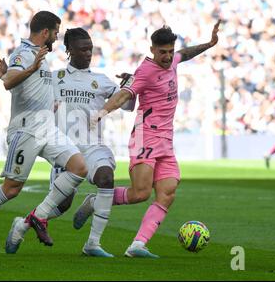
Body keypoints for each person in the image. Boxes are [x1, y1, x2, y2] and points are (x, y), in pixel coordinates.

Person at [0, 11, 88, 260]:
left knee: (79, 167)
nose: (57, 37)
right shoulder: (24, 53)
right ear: (46, 32)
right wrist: (28, 68)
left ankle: (39, 216)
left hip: (47, 127)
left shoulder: (40, 57)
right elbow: (9, 83)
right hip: (26, 129)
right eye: (56, 32)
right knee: (12, 189)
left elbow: (14, 78)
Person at [84, 21, 221, 258]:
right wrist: (101, 113)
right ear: (152, 50)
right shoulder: (145, 71)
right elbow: (124, 95)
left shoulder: (173, 60)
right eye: (162, 52)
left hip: (166, 140)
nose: (168, 57)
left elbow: (184, 54)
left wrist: (209, 44)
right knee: (140, 193)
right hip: (145, 136)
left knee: (167, 192)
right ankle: (96, 200)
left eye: (170, 51)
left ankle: (137, 245)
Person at [0, 27, 135, 257]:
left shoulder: (101, 80)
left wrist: (130, 86)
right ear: (69, 50)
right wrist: (5, 76)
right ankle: (22, 225)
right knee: (61, 206)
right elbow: (25, 90)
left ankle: (93, 244)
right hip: (65, 150)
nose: (88, 53)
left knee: (106, 178)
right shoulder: (53, 78)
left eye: (90, 49)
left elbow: (128, 106)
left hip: (93, 146)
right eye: (83, 49)